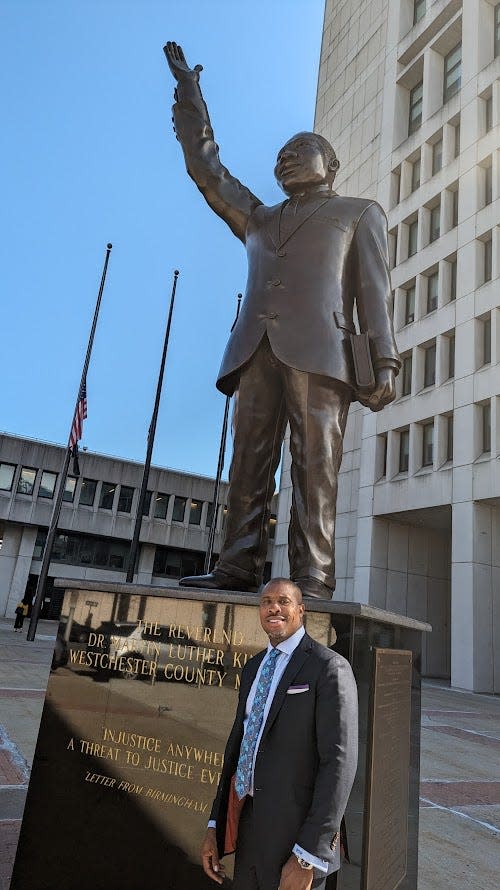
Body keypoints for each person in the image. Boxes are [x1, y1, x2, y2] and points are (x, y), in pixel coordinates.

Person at [165, 42, 400, 599]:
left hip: (323, 352)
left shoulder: (357, 212)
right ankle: (237, 566)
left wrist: (384, 360)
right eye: (280, 154)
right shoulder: (258, 217)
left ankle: (312, 574)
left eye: (300, 150)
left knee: (315, 464)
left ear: (331, 166)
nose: (285, 158)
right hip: (255, 350)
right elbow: (206, 169)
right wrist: (189, 94)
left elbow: (375, 290)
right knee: (248, 460)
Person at [200, 578, 358, 890]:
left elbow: (338, 765)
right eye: (267, 601)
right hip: (248, 826)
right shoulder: (253, 667)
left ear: (301, 609)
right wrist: (214, 826)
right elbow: (239, 747)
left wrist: (307, 856)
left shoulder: (328, 668)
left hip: (295, 836)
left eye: (284, 601)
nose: (274, 607)